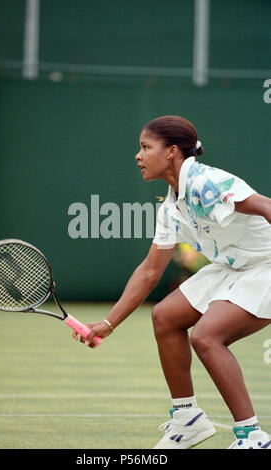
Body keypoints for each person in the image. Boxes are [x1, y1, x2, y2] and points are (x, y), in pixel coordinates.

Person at [76, 115, 271, 449]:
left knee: (207, 336)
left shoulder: (206, 183)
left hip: (266, 266)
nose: (138, 156)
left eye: (145, 147)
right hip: (231, 267)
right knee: (165, 317)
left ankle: (252, 437)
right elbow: (150, 271)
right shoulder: (171, 206)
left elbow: (267, 206)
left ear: (172, 152)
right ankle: (188, 420)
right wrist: (110, 323)